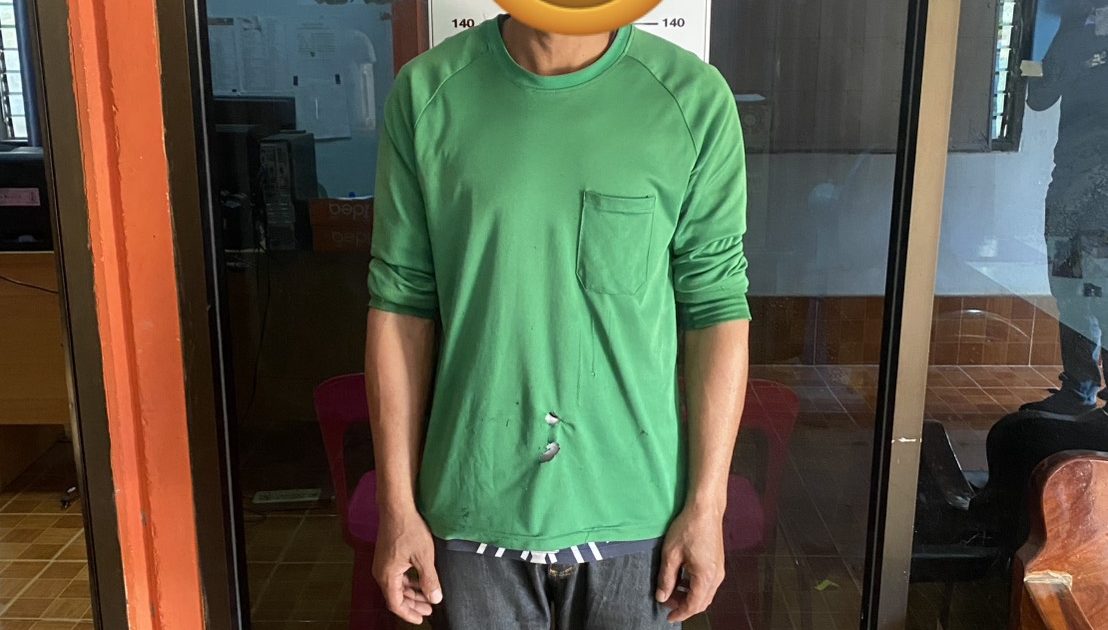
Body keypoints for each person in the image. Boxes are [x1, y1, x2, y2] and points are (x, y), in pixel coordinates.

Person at [364, 13, 751, 630]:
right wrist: (397, 506)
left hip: (638, 520)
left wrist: (708, 507)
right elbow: (400, 305)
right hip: (471, 513)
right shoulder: (428, 92)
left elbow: (716, 307)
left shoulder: (692, 100)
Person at [1022, 0, 1108, 418]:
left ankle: (1081, 389)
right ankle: (1078, 389)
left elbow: (1039, 95)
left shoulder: (1076, 31)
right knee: (1075, 289)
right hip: (1075, 186)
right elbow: (1040, 97)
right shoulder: (1076, 29)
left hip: (1083, 188)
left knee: (1089, 291)